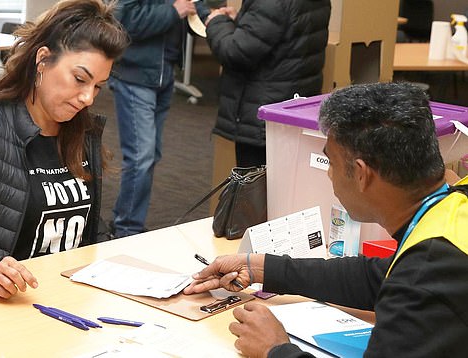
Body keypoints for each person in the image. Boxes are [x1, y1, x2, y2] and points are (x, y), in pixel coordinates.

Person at [184, 82, 468, 357]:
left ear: (361, 174)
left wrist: (275, 349)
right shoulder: (452, 210)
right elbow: (381, 277)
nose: (329, 174)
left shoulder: (427, 275)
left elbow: (408, 283)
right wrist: (261, 268)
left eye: (330, 162)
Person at [0, 0, 129, 299]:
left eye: (98, 86)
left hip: (62, 296)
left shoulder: (82, 132)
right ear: (42, 60)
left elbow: (88, 226)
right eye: (80, 79)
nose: (87, 98)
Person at [108, 0, 201, 237]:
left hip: (164, 74)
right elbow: (123, 21)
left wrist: (209, 16)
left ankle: (126, 219)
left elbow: (186, 6)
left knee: (150, 155)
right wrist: (173, 12)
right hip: (134, 75)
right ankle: (126, 228)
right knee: (141, 157)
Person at [203, 0, 330, 167]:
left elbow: (235, 52)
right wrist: (244, 22)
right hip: (291, 109)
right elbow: (284, 31)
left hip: (262, 115)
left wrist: (216, 22)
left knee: (255, 188)